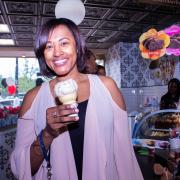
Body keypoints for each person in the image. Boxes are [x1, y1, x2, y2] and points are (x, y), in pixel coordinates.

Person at [10, 18, 143, 180]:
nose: (57, 52)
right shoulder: (32, 98)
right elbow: (22, 169)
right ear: (43, 54)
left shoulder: (107, 87)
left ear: (78, 47)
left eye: (64, 43)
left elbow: (124, 154)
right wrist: (48, 133)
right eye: (49, 46)